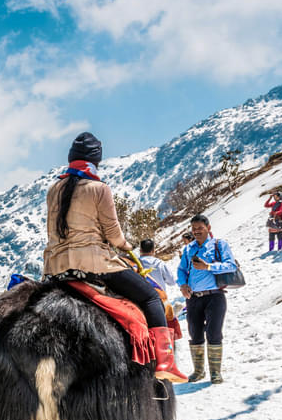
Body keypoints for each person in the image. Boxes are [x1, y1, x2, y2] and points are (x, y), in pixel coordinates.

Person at [44, 132, 186, 382]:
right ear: (95, 160)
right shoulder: (99, 188)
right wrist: (126, 246)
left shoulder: (54, 189)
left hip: (56, 267)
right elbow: (113, 235)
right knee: (151, 297)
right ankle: (165, 362)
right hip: (95, 265)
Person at [176, 214, 237, 384]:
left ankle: (215, 373)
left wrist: (208, 266)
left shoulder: (219, 245)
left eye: (200, 228)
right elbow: (181, 270)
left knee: (214, 332)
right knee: (195, 333)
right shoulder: (189, 249)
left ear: (208, 228)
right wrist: (182, 285)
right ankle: (198, 371)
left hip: (215, 296)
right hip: (193, 298)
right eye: (194, 229)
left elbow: (230, 265)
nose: (196, 232)